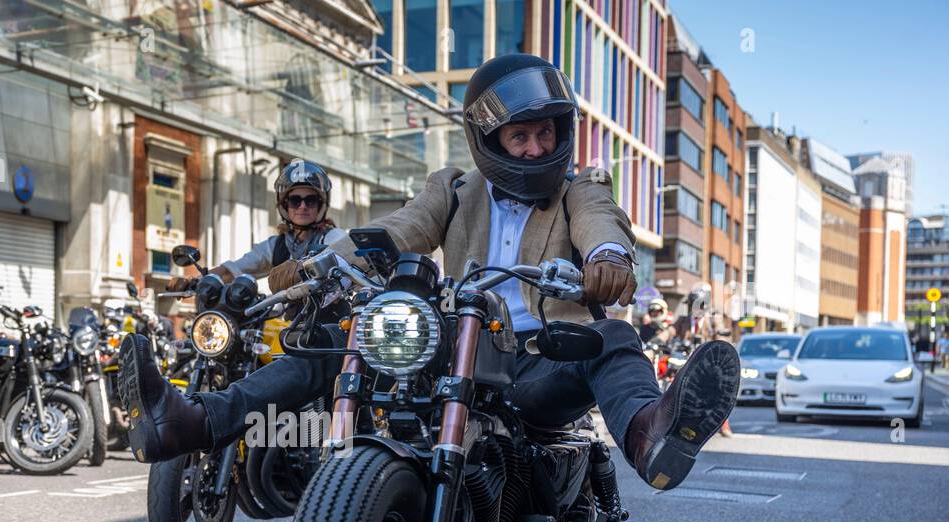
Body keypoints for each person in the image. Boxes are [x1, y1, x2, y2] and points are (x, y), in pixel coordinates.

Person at [120, 54, 739, 492]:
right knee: (332, 342)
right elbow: (398, 231)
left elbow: (601, 225)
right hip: (460, 345)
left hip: (543, 360)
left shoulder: (580, 189)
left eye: (544, 133)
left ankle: (650, 432)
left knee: (613, 339)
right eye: (519, 135)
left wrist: (608, 260)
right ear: (488, 137)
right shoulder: (455, 188)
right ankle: (191, 421)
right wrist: (315, 271)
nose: (533, 147)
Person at [167, 160, 347, 293]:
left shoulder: (332, 238)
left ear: (321, 205)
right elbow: (234, 269)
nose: (302, 206)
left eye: (311, 200)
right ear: (284, 205)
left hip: (329, 323)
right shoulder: (276, 245)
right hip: (289, 323)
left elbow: (347, 254)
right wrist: (194, 281)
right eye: (295, 200)